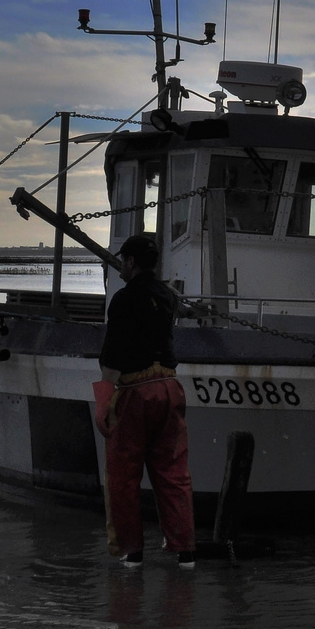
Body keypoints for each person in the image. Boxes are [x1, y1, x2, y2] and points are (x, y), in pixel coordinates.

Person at [100, 233, 196, 568]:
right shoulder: (167, 296)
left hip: (134, 390)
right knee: (173, 472)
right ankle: (185, 551)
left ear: (129, 261)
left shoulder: (123, 300)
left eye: (123, 261)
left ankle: (132, 553)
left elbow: (111, 357)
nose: (120, 268)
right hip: (169, 387)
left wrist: (103, 404)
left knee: (123, 475)